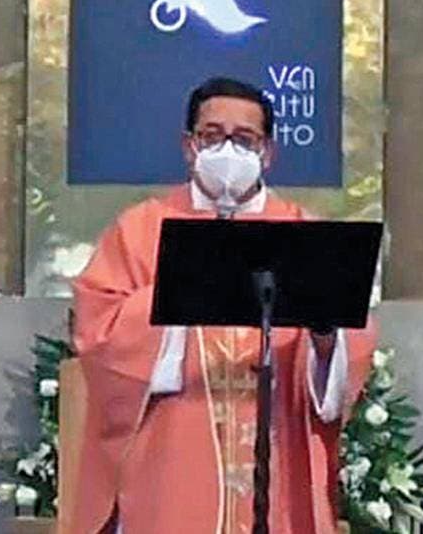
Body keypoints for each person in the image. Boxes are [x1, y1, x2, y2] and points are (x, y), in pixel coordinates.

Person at [63, 77, 377, 533]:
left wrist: (326, 338)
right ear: (189, 146)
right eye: (212, 136)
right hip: (172, 466)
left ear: (267, 152)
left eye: (244, 139)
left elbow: (345, 352)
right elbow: (99, 334)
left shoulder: (303, 234)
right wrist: (178, 290)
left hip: (276, 462)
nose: (227, 149)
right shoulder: (140, 229)